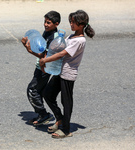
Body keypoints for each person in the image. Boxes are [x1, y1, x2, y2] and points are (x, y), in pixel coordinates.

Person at [39, 10, 95, 138]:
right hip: (59, 71)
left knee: (66, 101)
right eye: (70, 21)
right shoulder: (71, 36)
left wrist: (45, 60)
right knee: (47, 94)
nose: (71, 24)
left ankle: (66, 130)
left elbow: (62, 53)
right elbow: (57, 49)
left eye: (74, 22)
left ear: (81, 24)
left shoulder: (80, 41)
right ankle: (59, 119)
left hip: (68, 74)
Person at [21, 11, 61, 126]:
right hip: (41, 66)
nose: (45, 25)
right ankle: (42, 114)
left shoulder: (54, 38)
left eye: (48, 23)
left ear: (56, 24)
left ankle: (43, 114)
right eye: (45, 22)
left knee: (32, 90)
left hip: (44, 68)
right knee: (38, 90)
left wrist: (29, 51)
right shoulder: (47, 32)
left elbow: (45, 57)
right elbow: (41, 49)